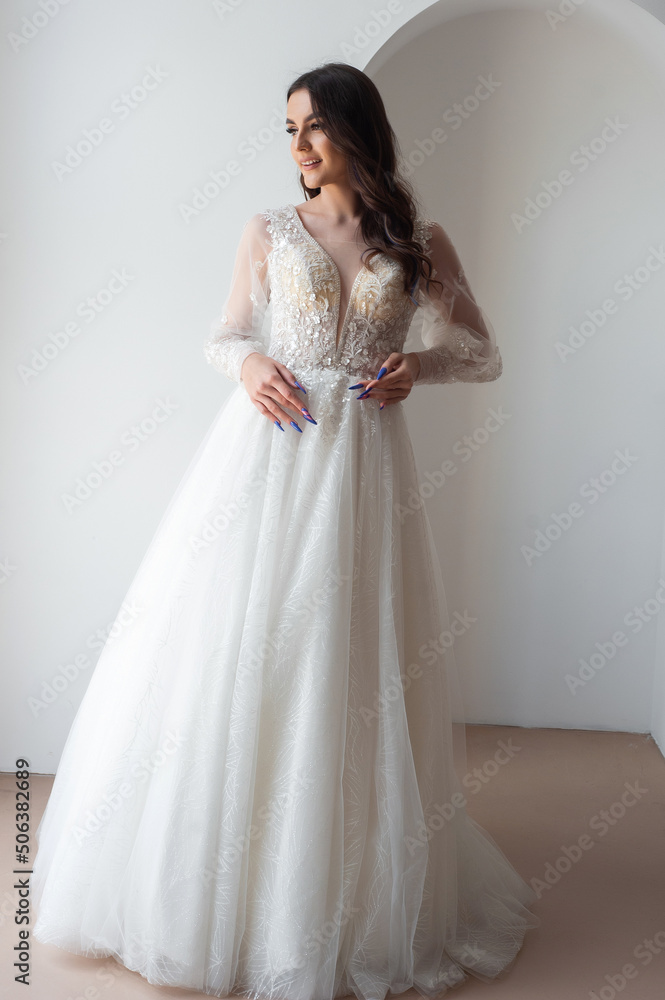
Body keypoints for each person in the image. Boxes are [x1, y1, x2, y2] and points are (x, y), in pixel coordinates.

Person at [32, 62, 539, 1000]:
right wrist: (252, 362)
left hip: (364, 473)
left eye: (314, 127)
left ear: (356, 129)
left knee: (346, 661)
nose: (299, 147)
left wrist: (414, 371)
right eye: (289, 130)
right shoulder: (269, 231)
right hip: (270, 461)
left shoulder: (414, 239)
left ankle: (334, 898)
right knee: (247, 654)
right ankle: (218, 892)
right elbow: (220, 335)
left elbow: (481, 351)